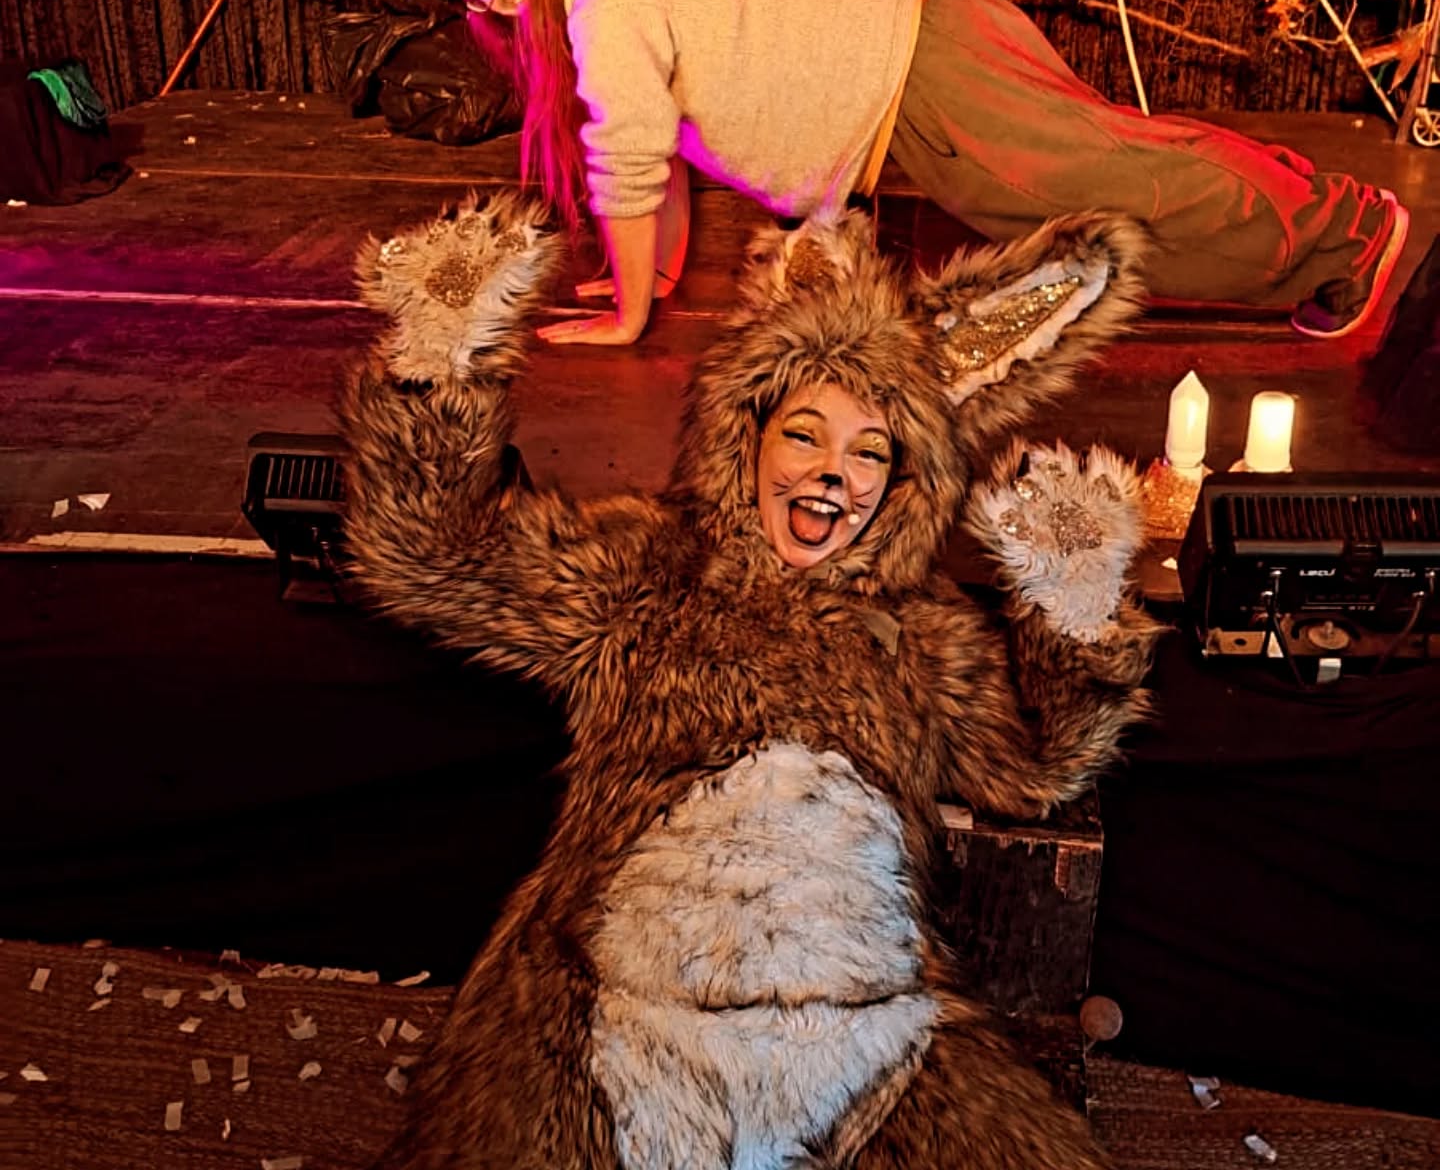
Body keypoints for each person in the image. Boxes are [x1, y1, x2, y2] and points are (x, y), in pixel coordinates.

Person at [341, 187, 1161, 1168]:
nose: (833, 474)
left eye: (870, 452)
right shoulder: (651, 567)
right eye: (805, 434)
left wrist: (1075, 612)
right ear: (750, 437)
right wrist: (438, 366)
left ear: (903, 485)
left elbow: (1033, 767)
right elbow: (435, 559)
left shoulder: (921, 635)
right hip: (620, 999)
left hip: (855, 1025)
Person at [430, 0, 1410, 345]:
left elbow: (631, 157)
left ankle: (1347, 227)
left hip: (925, 67)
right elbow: (662, 146)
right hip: (915, 76)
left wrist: (631, 318)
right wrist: (656, 276)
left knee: (1118, 178)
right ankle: (1323, 246)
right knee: (1101, 210)